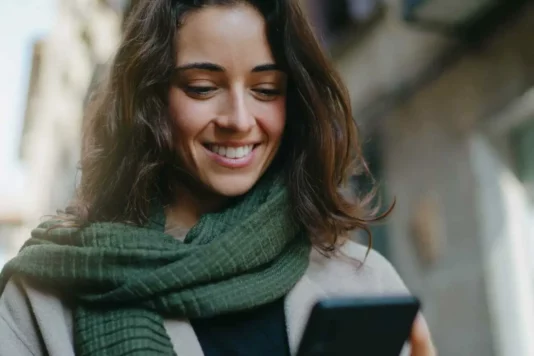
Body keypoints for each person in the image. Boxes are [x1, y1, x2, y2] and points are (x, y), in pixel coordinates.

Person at [0, 0, 436, 355]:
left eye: (266, 90)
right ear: (149, 98)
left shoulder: (362, 282)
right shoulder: (43, 299)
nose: (239, 120)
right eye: (203, 88)